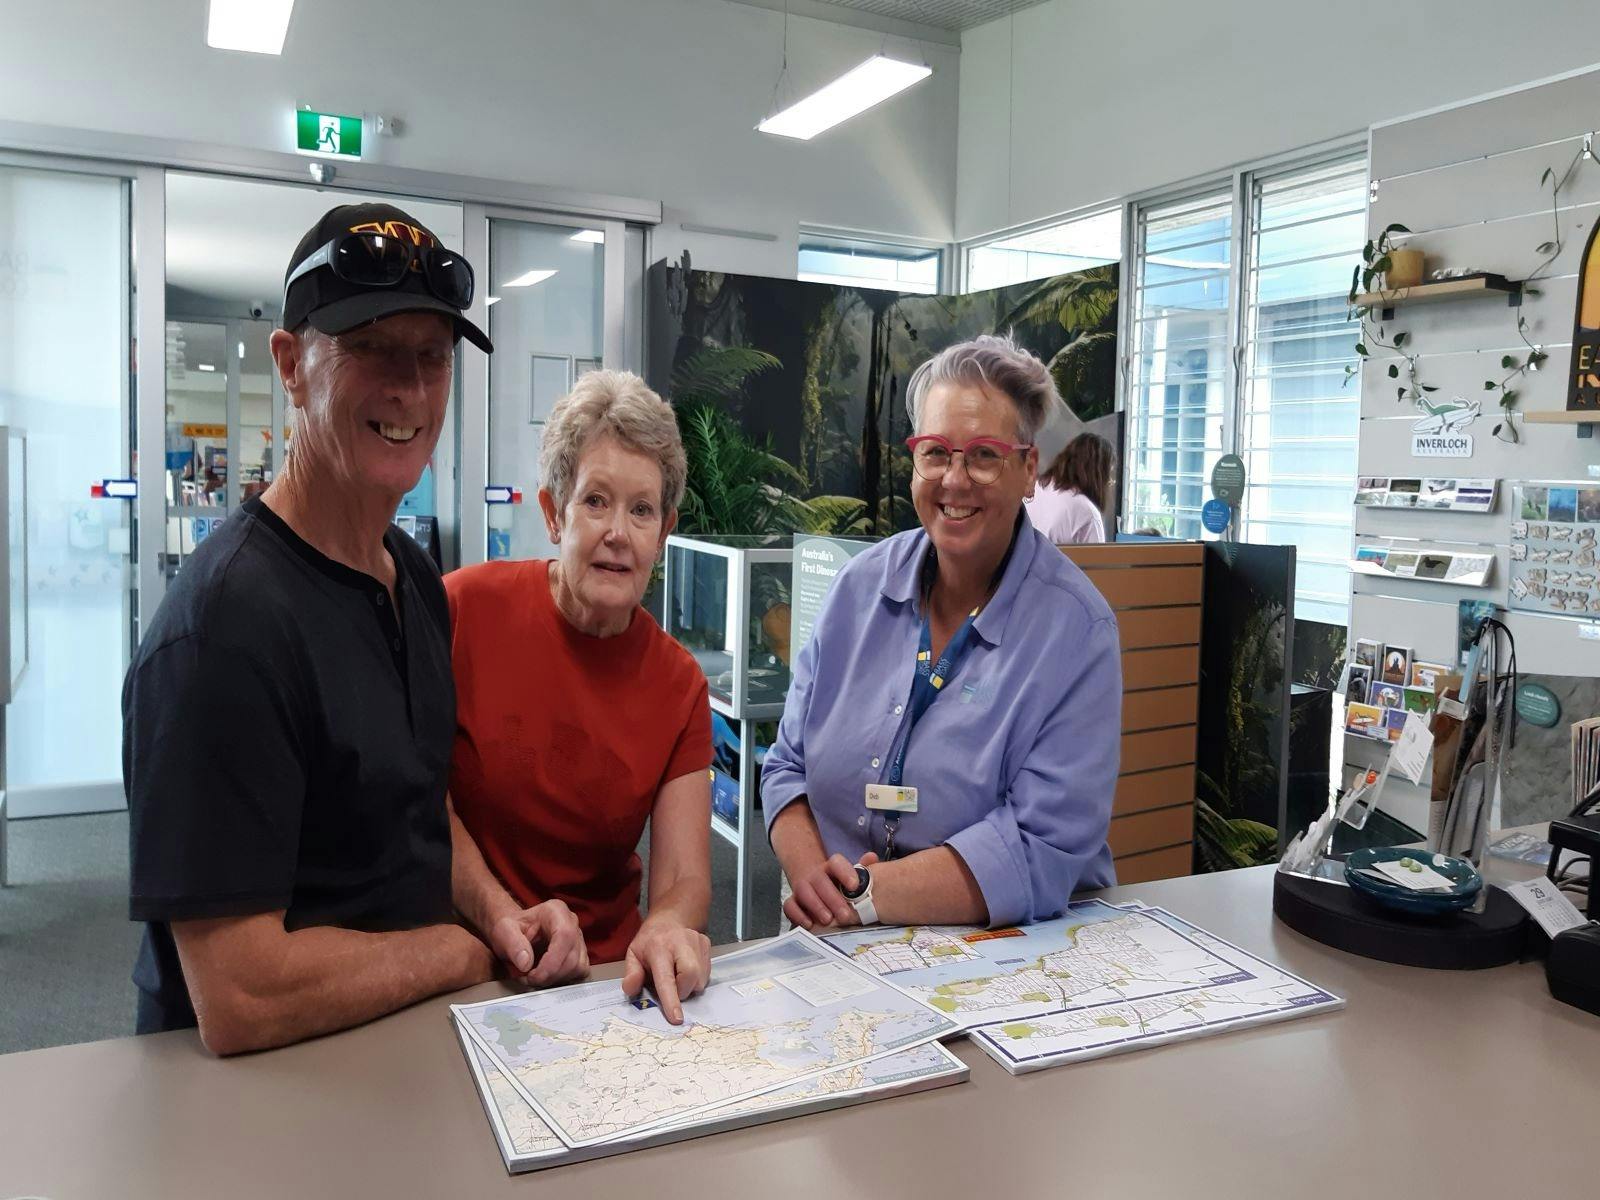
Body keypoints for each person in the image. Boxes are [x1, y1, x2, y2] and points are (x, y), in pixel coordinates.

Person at [124, 203, 587, 1055]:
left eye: (432, 357)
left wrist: (500, 917)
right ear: (291, 365)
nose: (408, 388)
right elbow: (239, 994)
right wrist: (462, 952)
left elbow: (418, 806)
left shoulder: (408, 577)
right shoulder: (225, 630)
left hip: (395, 1044)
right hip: (257, 1101)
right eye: (370, 347)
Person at [763, 334, 1121, 933]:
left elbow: (1042, 844)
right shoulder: (856, 592)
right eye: (935, 453)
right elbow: (786, 765)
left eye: (983, 455)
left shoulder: (1078, 635)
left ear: (1028, 470)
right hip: (833, 938)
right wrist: (817, 885)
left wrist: (865, 895)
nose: (954, 480)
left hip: (996, 956)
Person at [445, 372, 714, 1024]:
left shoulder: (680, 685)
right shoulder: (459, 610)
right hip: (467, 966)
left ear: (665, 531)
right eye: (595, 501)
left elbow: (684, 877)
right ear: (551, 512)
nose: (618, 532)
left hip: (608, 987)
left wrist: (668, 927)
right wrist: (501, 917)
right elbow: (422, 807)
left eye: (642, 510)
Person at [1025, 431, 1114, 544]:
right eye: (1108, 476)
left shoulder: (1036, 488)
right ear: (1098, 475)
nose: (1110, 482)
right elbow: (1097, 560)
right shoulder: (1087, 513)